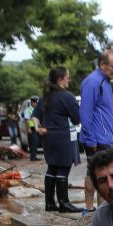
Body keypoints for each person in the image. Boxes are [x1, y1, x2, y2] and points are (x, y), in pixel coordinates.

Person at [34, 66, 82, 213]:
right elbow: (77, 120)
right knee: (63, 168)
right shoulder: (67, 96)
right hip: (62, 137)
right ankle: (64, 203)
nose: (69, 80)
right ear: (61, 80)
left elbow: (35, 116)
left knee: (52, 168)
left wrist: (37, 128)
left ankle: (49, 203)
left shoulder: (45, 96)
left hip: (47, 137)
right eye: (68, 77)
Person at [80, 49, 113, 213]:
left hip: (104, 138)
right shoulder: (93, 82)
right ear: (102, 65)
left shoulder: (105, 82)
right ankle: (90, 209)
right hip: (97, 139)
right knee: (96, 174)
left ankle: (101, 211)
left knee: (101, 174)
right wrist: (90, 139)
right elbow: (85, 112)